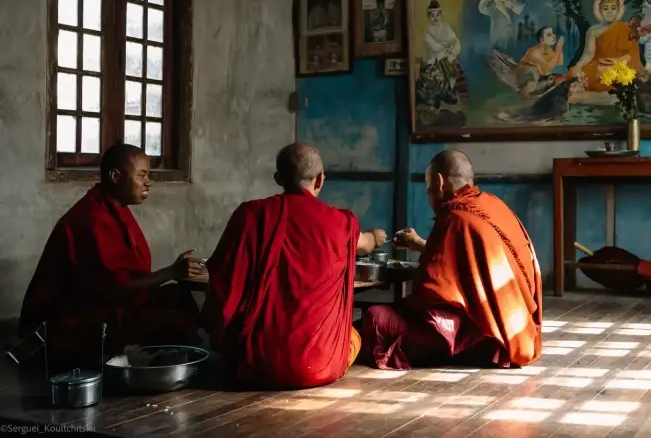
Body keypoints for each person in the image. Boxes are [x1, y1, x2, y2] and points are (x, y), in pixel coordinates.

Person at [202, 142, 387, 389]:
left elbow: (221, 274)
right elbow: (363, 244)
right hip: (319, 367)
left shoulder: (250, 214)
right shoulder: (341, 222)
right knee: (352, 336)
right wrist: (376, 236)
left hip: (255, 362)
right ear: (320, 180)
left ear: (278, 178)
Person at [18, 143, 203, 367]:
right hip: (71, 322)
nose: (148, 182)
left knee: (179, 295)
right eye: (141, 175)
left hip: (107, 302)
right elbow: (114, 286)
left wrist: (172, 274)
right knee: (175, 322)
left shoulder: (115, 208)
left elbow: (126, 276)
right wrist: (171, 271)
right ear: (115, 176)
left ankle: (173, 358)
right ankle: (182, 368)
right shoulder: (92, 218)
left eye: (149, 175)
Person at [360, 150, 543, 370]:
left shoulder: (455, 218)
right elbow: (467, 259)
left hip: (473, 333)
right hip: (515, 329)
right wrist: (418, 243)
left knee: (375, 317)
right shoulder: (494, 206)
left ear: (438, 182)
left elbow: (430, 294)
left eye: (428, 188)